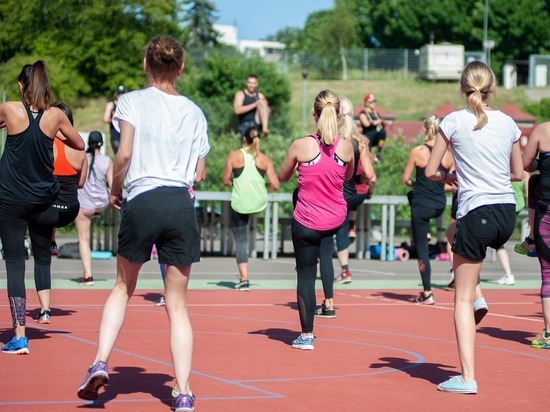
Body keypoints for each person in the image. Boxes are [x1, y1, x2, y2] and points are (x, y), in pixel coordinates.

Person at [77, 35, 210, 412]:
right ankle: (183, 392)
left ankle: (100, 361)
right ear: (180, 68)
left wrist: (116, 189)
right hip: (180, 203)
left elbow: (125, 153)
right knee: (178, 305)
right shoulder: (195, 112)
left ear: (146, 65)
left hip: (143, 197)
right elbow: (199, 171)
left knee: (122, 287)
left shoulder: (130, 101)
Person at [426, 61, 523, 394]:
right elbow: (518, 173)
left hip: (476, 209)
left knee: (461, 300)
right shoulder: (509, 123)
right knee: (470, 270)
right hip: (506, 213)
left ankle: (467, 377)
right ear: (492, 88)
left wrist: (448, 177)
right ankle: (479, 296)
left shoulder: (453, 121)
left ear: (462, 88)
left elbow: (429, 170)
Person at [0, 61, 85, 355]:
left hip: (10, 199)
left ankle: (19, 335)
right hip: (42, 200)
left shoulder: (10, 109)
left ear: (22, 86)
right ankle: (47, 257)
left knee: (14, 264)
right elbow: (79, 144)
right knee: (40, 253)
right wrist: (53, 133)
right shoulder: (56, 116)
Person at [278, 89, 354, 350]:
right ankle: (329, 301)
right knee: (326, 256)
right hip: (333, 219)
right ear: (340, 113)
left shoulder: (301, 145)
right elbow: (347, 175)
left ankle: (307, 335)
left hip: (307, 222)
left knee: (306, 275)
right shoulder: (346, 146)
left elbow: (282, 176)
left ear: (314, 112)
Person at [29, 102, 87, 323]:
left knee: (42, 259)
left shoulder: (43, 146)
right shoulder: (80, 151)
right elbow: (81, 184)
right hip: (70, 210)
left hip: (47, 211)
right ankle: (52, 240)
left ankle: (45, 310)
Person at [402, 115, 454, 305]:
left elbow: (405, 179)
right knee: (416, 201)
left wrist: (417, 184)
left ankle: (427, 292)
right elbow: (454, 183)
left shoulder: (418, 152)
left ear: (425, 130)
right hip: (439, 204)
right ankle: (426, 234)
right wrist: (438, 187)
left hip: (422, 206)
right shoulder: (448, 155)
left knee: (422, 249)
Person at [223, 126, 279, 291]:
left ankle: (244, 279)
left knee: (241, 240)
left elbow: (226, 180)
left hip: (240, 202)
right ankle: (244, 278)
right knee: (250, 230)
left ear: (243, 139)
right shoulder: (264, 159)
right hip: (258, 201)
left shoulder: (234, 155)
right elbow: (275, 185)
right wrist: (262, 186)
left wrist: (234, 182)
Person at [331, 96, 376, 287]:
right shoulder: (361, 142)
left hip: (338, 193)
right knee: (344, 220)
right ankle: (352, 223)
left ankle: (343, 269)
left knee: (334, 230)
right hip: (357, 193)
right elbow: (370, 174)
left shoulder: (334, 141)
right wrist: (361, 181)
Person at [521, 121, 550, 349]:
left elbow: (526, 164)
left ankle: (549, 334)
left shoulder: (543, 130)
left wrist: (543, 162)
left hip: (547, 211)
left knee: (548, 273)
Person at [75, 131, 113, 286]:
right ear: (101, 144)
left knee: (83, 239)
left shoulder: (82, 158)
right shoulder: (107, 161)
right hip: (102, 203)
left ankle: (88, 276)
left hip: (84, 206)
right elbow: (111, 184)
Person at [514, 173, 540, 257]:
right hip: (519, 203)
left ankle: (532, 240)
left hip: (514, 204)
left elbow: (528, 192)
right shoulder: (525, 173)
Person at [358, 93, 386, 162]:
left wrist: (382, 123)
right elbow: (366, 124)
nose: (373, 103)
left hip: (376, 136)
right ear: (366, 103)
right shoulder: (363, 113)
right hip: (368, 136)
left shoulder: (376, 113)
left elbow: (381, 123)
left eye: (374, 101)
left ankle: (379, 153)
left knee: (383, 132)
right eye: (371, 102)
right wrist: (377, 122)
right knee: (368, 157)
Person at [103, 85, 126, 155]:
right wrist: (115, 120)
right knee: (118, 153)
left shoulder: (126, 105)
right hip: (115, 132)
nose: (120, 95)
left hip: (125, 132)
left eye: (122, 93)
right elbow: (105, 119)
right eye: (119, 93)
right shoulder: (111, 105)